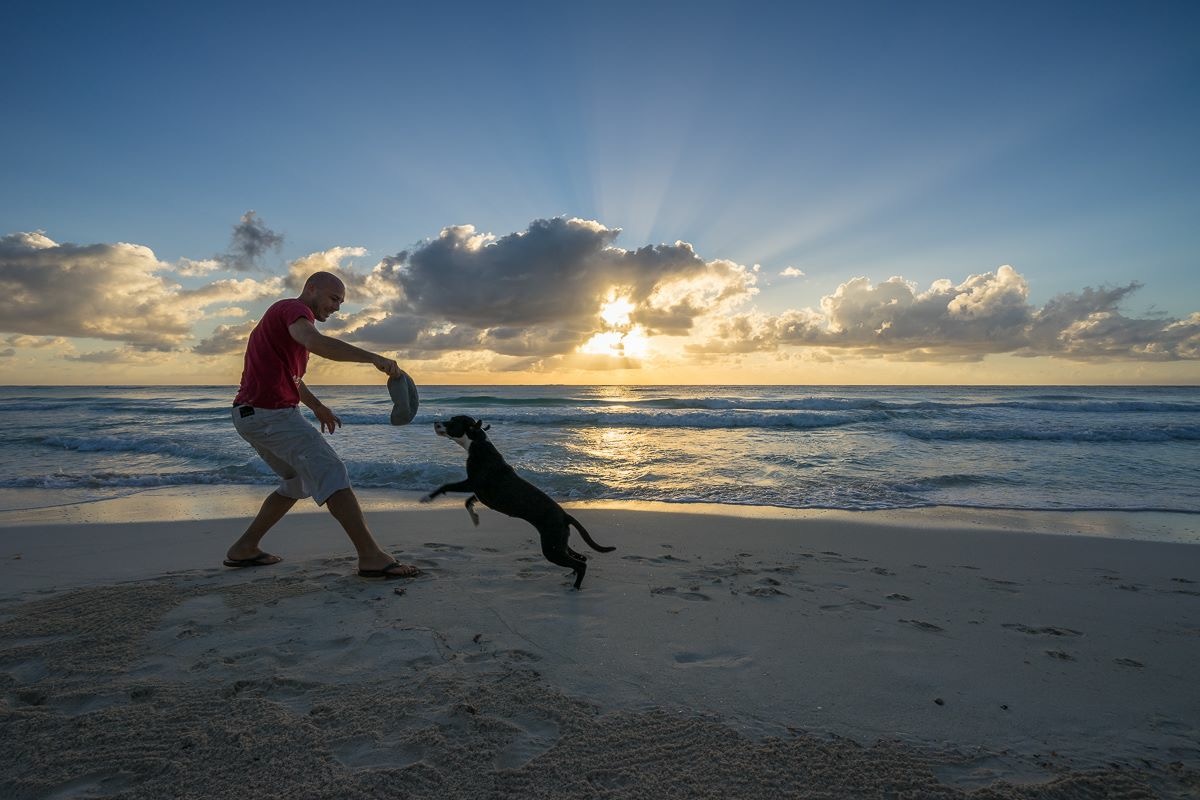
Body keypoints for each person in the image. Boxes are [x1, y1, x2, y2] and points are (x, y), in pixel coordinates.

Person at [224, 271, 420, 579]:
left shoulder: (287, 327)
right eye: (333, 299)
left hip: (252, 416)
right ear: (311, 288)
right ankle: (371, 556)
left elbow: (292, 378)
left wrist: (317, 407)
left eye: (340, 302)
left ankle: (244, 548)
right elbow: (315, 342)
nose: (337, 308)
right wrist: (373, 358)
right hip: (270, 416)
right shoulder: (292, 310)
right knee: (331, 471)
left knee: (296, 483)